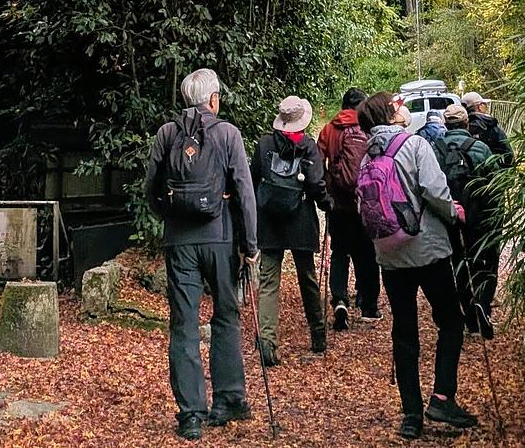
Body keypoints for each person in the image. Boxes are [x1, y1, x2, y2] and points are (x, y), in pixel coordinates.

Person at [144, 68, 258, 442]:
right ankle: (228, 400)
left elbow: (150, 188)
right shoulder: (228, 134)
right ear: (213, 99)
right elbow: (244, 192)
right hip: (220, 239)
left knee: (184, 323)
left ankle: (191, 415)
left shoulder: (167, 134)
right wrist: (250, 245)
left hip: (179, 242)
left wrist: (169, 217)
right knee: (226, 315)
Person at [357, 92, 477, 438]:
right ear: (390, 114)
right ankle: (442, 397)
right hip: (427, 250)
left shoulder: (368, 155)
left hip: (390, 255)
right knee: (451, 320)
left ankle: (411, 414)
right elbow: (435, 193)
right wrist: (455, 213)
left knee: (404, 330)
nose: (402, 109)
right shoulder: (414, 145)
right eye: (397, 105)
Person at [251, 95, 332, 365]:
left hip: (269, 220)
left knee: (268, 281)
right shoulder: (308, 146)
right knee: (307, 277)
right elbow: (316, 184)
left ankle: (267, 342)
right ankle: (318, 334)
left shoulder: (264, 145)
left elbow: (253, 180)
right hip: (300, 220)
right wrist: (327, 204)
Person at [317, 87, 381, 329]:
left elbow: (317, 162)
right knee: (367, 253)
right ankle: (368, 306)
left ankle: (340, 300)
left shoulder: (330, 129)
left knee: (340, 252)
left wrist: (327, 188)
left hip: (338, 204)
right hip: (365, 202)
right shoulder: (369, 127)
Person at [434, 104, 495, 337]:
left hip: (449, 217)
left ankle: (470, 316)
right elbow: (495, 183)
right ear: (466, 123)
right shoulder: (481, 148)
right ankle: (484, 304)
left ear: (445, 124)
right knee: (484, 262)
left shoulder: (436, 149)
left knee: (458, 264)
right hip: (479, 216)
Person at [461, 91, 514, 167]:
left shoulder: (462, 127)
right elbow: (508, 154)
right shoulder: (491, 126)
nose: (487, 107)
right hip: (492, 169)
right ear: (480, 107)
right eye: (484, 104)